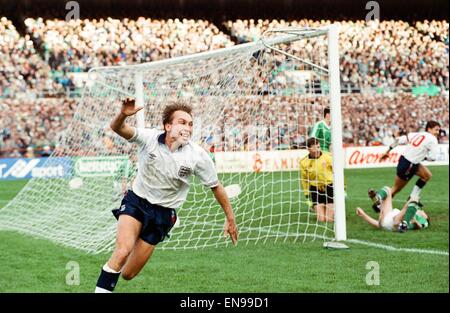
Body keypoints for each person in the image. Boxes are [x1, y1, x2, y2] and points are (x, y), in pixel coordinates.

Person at [95, 98, 238, 293]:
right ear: (168, 126)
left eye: (190, 124)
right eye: (182, 122)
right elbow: (117, 128)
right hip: (136, 202)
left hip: (163, 215)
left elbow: (216, 186)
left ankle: (114, 269)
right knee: (122, 251)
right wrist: (122, 114)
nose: (187, 127)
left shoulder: (197, 155)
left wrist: (230, 218)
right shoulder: (150, 138)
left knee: (128, 274)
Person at [373, 121, 441, 209]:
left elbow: (399, 140)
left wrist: (388, 150)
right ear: (429, 129)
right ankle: (379, 201)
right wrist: (424, 157)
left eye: (439, 130)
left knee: (427, 175)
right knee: (396, 188)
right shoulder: (433, 139)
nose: (438, 132)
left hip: (406, 161)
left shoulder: (417, 134)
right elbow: (433, 157)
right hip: (410, 165)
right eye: (436, 130)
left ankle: (412, 197)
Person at [356, 186, 429, 232]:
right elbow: (379, 225)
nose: (422, 211)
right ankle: (377, 198)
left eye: (424, 212)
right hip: (387, 221)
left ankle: (404, 224)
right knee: (388, 189)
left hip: (395, 221)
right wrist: (363, 215)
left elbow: (421, 226)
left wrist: (416, 222)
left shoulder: (423, 220)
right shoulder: (411, 213)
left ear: (425, 216)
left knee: (415, 198)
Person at [299, 137, 334, 222]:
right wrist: (307, 195)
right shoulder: (303, 162)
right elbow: (304, 180)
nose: (317, 150)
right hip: (315, 189)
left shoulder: (328, 157)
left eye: (318, 147)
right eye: (314, 148)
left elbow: (338, 173)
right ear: (308, 149)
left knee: (329, 220)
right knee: (321, 220)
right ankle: (325, 208)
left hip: (329, 187)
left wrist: (343, 188)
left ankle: (334, 207)